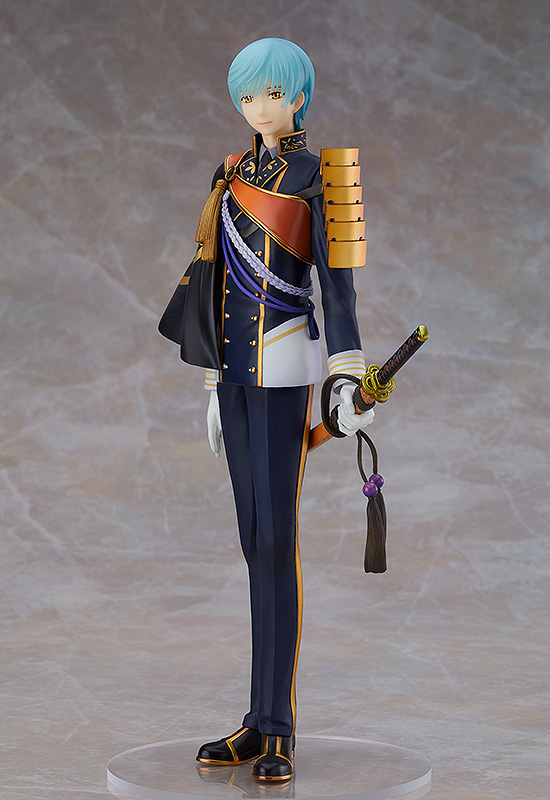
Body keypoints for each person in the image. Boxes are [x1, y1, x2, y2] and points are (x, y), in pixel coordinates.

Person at [160, 37, 373, 782]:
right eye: (248, 95)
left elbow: (339, 291)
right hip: (232, 375)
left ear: (299, 97)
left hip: (284, 371)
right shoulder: (230, 173)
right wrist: (210, 383)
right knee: (255, 541)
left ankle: (278, 726)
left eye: (273, 94)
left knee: (278, 542)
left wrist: (345, 379)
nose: (259, 108)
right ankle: (255, 721)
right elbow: (215, 280)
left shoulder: (323, 177)